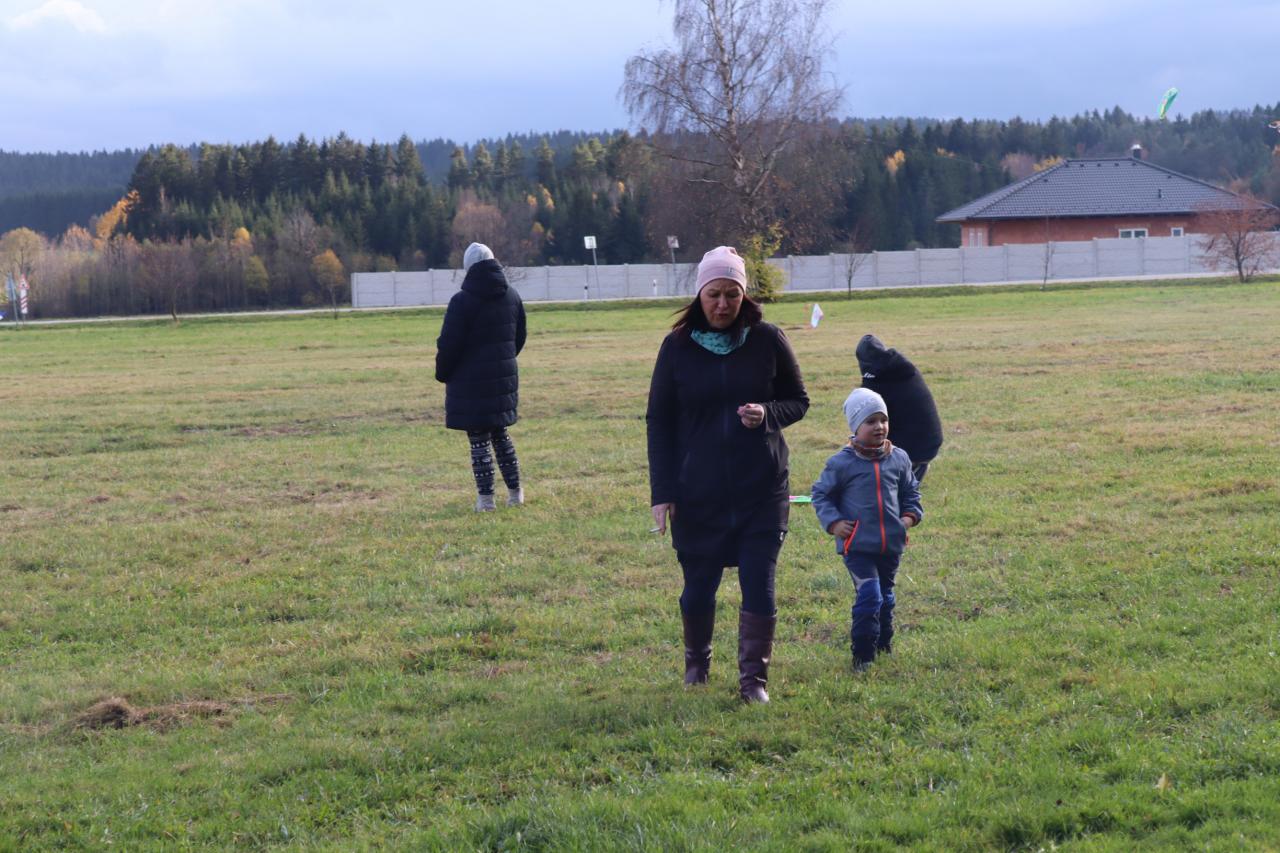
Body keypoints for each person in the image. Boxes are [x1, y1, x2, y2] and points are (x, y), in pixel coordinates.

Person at [646, 245, 809, 703]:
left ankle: (753, 682)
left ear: (744, 295)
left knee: (760, 582)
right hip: (698, 492)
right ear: (699, 295)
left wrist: (768, 413)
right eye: (714, 294)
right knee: (697, 588)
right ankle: (696, 666)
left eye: (732, 295)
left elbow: (798, 400)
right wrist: (662, 492)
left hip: (762, 489)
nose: (722, 305)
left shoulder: (767, 339)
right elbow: (659, 421)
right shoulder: (677, 348)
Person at [811, 388, 923, 672]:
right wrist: (834, 523)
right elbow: (821, 494)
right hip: (857, 546)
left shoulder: (899, 458)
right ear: (855, 427)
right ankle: (863, 656)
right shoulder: (842, 463)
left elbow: (911, 492)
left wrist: (908, 518)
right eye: (870, 421)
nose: (879, 426)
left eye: (883, 420)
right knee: (870, 595)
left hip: (891, 545)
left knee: (886, 596)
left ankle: (884, 644)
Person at [435, 242, 527, 512]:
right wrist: (503, 362)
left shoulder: (461, 302)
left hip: (470, 383)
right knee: (501, 436)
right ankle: (515, 494)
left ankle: (486, 501)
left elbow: (449, 345)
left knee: (479, 441)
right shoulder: (512, 296)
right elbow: (518, 338)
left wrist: (442, 373)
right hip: (502, 380)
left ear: (469, 268)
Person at [856, 334, 943, 483]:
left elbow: (864, 425)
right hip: (930, 444)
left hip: (913, 450)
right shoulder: (904, 369)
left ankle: (906, 473)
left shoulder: (876, 385)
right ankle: (913, 469)